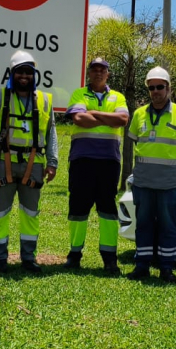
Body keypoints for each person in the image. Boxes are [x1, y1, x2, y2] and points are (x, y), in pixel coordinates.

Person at [0, 51, 59, 274]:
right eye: (19, 71)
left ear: (34, 75)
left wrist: (53, 162)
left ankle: (28, 258)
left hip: (35, 164)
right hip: (5, 163)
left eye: (28, 72)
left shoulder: (45, 100)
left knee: (31, 213)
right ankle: (0, 258)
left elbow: (51, 133)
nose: (24, 76)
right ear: (12, 73)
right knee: (0, 213)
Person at [126, 66, 176, 282]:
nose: (156, 91)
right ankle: (142, 266)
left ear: (169, 89)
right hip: (144, 182)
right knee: (144, 225)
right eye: (151, 88)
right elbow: (136, 142)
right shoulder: (139, 114)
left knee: (168, 226)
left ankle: (166, 268)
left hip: (169, 183)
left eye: (160, 87)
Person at [63, 57, 128, 274]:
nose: (98, 73)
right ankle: (74, 254)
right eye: (94, 70)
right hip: (82, 159)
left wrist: (95, 115)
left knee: (108, 209)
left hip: (109, 161)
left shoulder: (118, 96)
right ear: (88, 73)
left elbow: (122, 120)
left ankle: (109, 258)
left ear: (108, 74)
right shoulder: (79, 94)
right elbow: (79, 119)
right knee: (78, 207)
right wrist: (107, 119)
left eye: (103, 70)